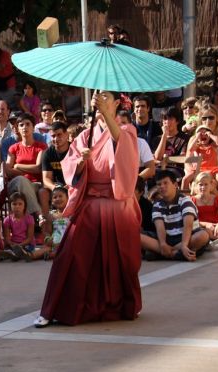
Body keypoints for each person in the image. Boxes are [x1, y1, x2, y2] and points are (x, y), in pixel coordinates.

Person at [35, 91, 142, 328]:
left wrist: (105, 113)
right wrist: (81, 162)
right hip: (91, 201)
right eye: (99, 97)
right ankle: (56, 307)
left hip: (117, 202)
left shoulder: (127, 131)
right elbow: (70, 168)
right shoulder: (86, 134)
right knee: (71, 254)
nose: (102, 101)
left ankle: (116, 304)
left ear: (116, 103)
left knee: (121, 259)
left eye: (107, 98)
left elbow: (124, 151)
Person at [140, 170, 210, 261]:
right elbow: (159, 227)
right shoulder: (157, 205)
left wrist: (184, 245)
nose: (162, 186)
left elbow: (187, 225)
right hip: (167, 239)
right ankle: (176, 254)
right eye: (159, 184)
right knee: (137, 236)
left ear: (175, 185)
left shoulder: (185, 201)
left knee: (203, 235)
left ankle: (164, 253)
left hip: (186, 238)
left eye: (165, 183)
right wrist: (162, 244)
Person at [182, 124, 218, 201]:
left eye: (205, 133)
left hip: (213, 169)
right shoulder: (197, 147)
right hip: (199, 170)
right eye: (200, 133)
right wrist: (197, 137)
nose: (203, 134)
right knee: (185, 179)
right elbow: (190, 149)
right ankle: (184, 199)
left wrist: (210, 134)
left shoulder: (213, 145)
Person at [0, 192, 34, 262]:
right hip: (13, 244)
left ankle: (14, 255)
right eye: (14, 204)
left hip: (27, 244)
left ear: (25, 205)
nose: (17, 206)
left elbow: (29, 238)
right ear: (10, 206)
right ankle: (9, 255)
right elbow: (7, 238)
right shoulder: (7, 220)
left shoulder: (29, 218)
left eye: (20, 204)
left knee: (26, 250)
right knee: (8, 249)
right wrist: (12, 244)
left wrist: (20, 245)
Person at [191, 171, 218, 241]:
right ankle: (213, 238)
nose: (203, 187)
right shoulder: (192, 200)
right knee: (197, 230)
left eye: (206, 184)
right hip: (202, 228)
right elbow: (192, 221)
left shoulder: (216, 199)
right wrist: (206, 224)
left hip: (216, 226)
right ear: (196, 186)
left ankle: (214, 238)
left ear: (211, 185)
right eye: (200, 185)